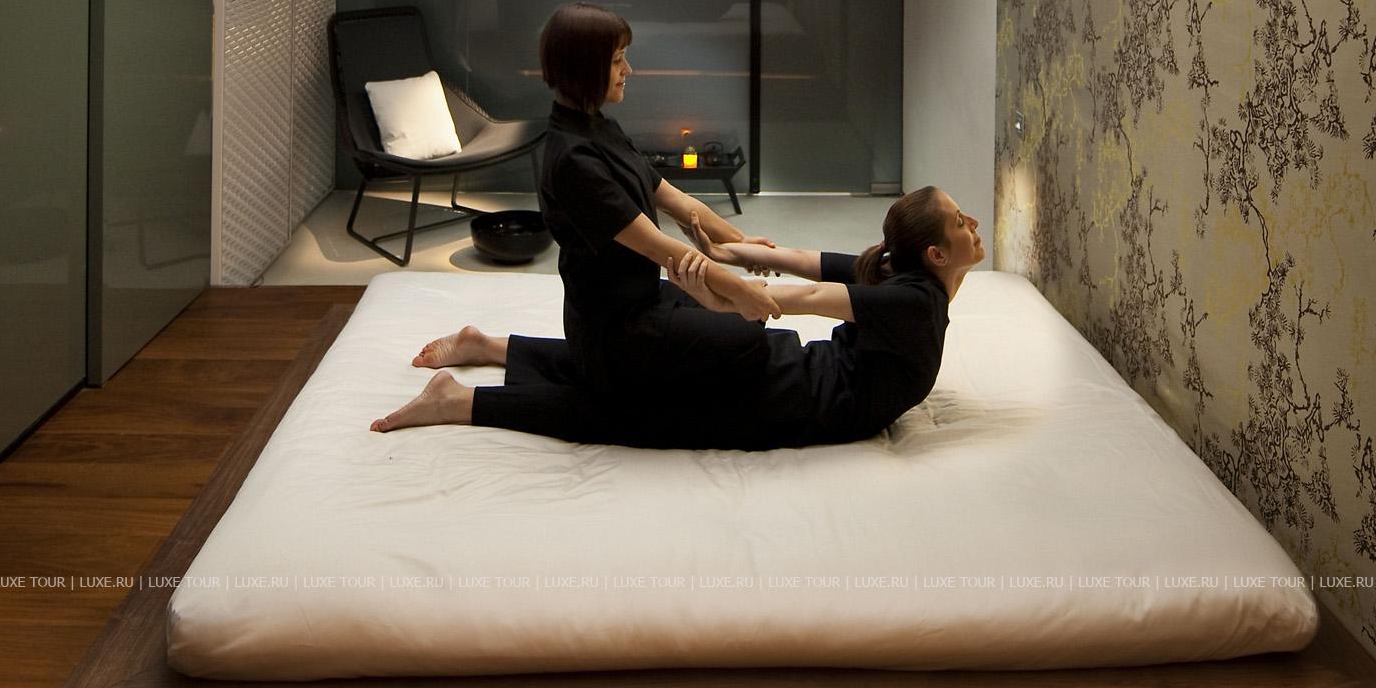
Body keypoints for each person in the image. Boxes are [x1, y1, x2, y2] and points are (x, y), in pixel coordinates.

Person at [370, 186, 985, 452]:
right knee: (628, 413)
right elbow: (806, 285)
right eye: (962, 221)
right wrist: (724, 267)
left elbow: (808, 272)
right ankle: (465, 395)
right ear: (935, 255)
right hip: (785, 395)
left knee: (630, 381)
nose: (974, 225)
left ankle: (493, 350)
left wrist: (725, 273)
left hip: (782, 376)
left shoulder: (905, 280)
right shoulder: (914, 297)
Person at [524, 2, 779, 408]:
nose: (629, 70)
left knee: (745, 317)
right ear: (585, 66)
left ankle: (493, 348)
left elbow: (676, 200)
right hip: (615, 330)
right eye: (617, 60)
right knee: (749, 338)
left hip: (645, 298)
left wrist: (741, 244)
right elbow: (658, 247)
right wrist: (741, 289)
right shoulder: (572, 159)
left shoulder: (599, 126)